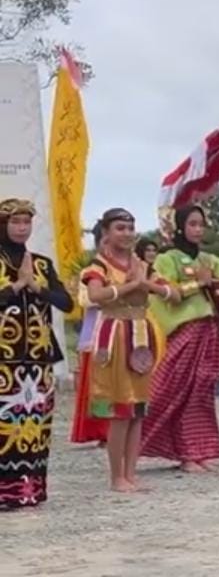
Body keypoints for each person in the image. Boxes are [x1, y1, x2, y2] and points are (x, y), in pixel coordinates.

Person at [141, 205, 219, 473]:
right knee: (172, 390)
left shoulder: (211, 260)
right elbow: (167, 292)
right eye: (192, 224)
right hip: (184, 331)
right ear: (180, 227)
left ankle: (196, 451)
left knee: (201, 393)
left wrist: (215, 282)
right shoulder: (166, 259)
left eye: (201, 224)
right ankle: (157, 445)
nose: (198, 229)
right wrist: (200, 284)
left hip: (209, 330)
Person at [80, 208, 168, 492]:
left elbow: (174, 292)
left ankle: (131, 473)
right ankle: (117, 476)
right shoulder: (100, 265)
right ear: (106, 232)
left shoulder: (141, 263)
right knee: (120, 408)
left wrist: (149, 284)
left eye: (130, 228)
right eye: (120, 228)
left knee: (138, 408)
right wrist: (134, 284)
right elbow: (95, 296)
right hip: (115, 333)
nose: (127, 233)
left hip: (140, 334)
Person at [0, 199, 73, 510]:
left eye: (26, 223)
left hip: (37, 361)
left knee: (34, 427)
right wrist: (18, 286)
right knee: (4, 426)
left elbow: (66, 303)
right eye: (15, 222)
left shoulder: (42, 264)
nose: (21, 228)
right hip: (4, 360)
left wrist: (36, 287)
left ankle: (28, 490)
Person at [71, 223, 110, 447]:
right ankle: (102, 430)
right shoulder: (91, 270)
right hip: (96, 332)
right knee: (100, 386)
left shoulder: (129, 266)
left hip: (124, 330)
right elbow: (85, 300)